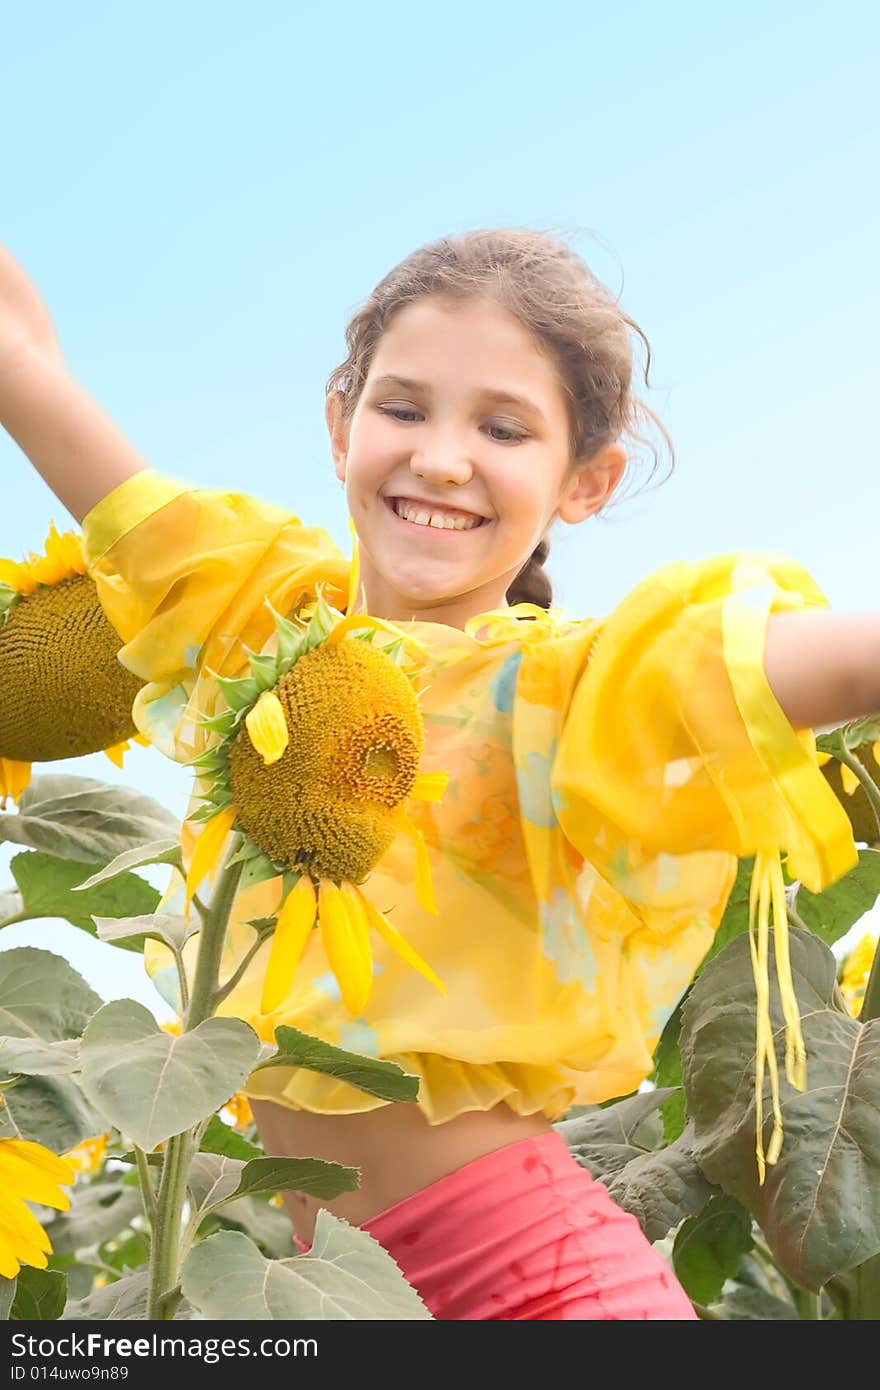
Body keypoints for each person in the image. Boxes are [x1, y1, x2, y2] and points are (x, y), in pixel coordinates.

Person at [0, 229, 875, 1320]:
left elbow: (814, 658)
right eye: (404, 409)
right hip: (338, 1295)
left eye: (503, 428)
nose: (443, 456)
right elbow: (38, 384)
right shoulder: (263, 622)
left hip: (533, 1284)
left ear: (585, 482)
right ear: (340, 426)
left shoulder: (571, 694)